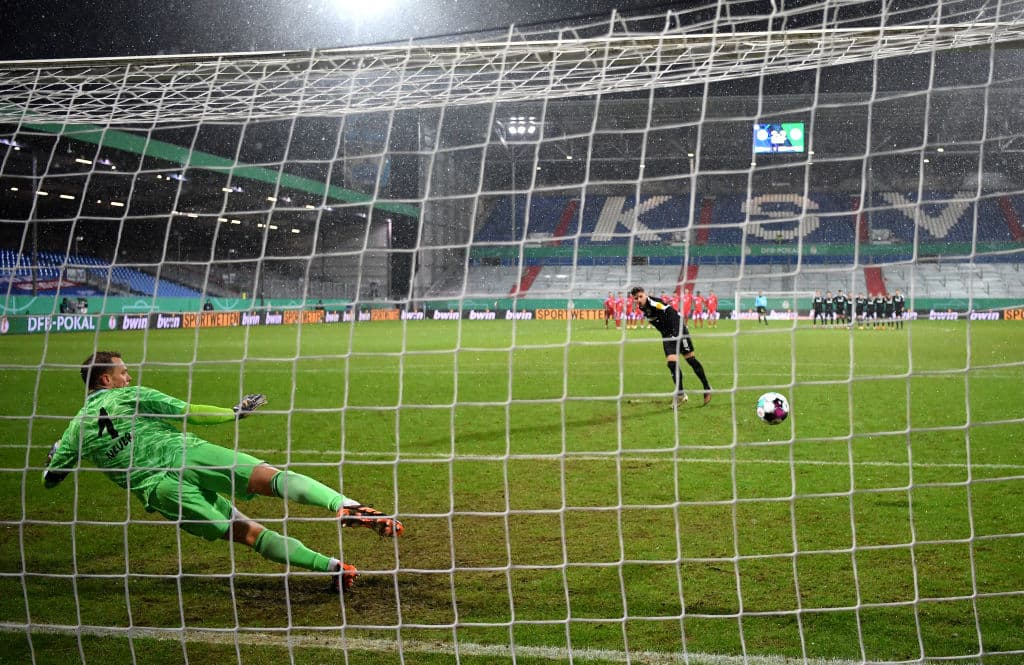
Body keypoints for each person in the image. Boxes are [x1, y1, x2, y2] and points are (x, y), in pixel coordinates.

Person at [43, 351, 403, 594]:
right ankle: (344, 504)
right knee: (270, 478)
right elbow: (190, 412)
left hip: (160, 490)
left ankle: (335, 568)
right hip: (186, 453)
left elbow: (52, 479)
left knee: (247, 533)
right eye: (123, 372)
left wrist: (56, 455)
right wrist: (234, 412)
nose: (128, 376)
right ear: (106, 379)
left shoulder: (76, 429)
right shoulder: (126, 396)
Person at [630, 287, 712, 407]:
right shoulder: (642, 308)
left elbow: (671, 312)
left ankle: (707, 388)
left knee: (690, 359)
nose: (639, 299)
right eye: (636, 298)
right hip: (667, 335)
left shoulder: (654, 303)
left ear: (645, 295)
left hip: (678, 330)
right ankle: (680, 394)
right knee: (671, 363)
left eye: (640, 296)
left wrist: (676, 332)